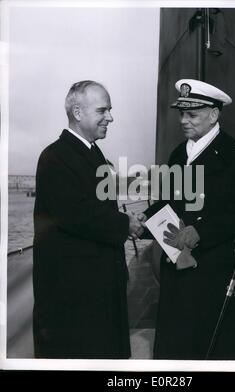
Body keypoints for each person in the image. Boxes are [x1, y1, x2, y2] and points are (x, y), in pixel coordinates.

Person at [139, 79, 235, 360]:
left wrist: (202, 231)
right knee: (176, 349)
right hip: (177, 270)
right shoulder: (177, 155)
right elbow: (168, 203)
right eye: (181, 113)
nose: (184, 121)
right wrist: (144, 221)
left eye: (192, 114)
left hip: (214, 269)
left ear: (214, 114)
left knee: (214, 348)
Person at [32, 80, 142, 359]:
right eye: (103, 110)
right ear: (78, 113)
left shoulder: (92, 154)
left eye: (110, 110)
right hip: (73, 299)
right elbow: (76, 214)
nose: (111, 117)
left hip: (98, 291)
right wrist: (123, 224)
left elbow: (94, 210)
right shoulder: (55, 157)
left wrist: (121, 219)